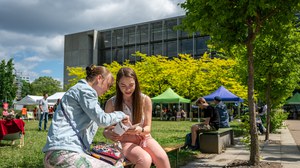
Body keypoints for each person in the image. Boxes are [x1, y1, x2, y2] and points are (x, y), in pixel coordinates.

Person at [42, 64, 129, 168]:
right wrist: (122, 114)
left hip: (58, 153)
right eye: (108, 85)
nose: (108, 89)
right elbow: (102, 119)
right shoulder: (86, 91)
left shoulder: (79, 90)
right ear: (99, 78)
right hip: (65, 153)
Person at [103, 67, 170, 168]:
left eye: (131, 85)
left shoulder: (145, 100)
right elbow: (106, 130)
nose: (128, 89)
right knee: (144, 160)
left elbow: (148, 128)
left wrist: (140, 129)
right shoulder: (111, 103)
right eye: (123, 85)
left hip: (144, 138)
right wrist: (109, 134)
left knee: (162, 158)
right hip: (124, 141)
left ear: (136, 83)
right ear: (118, 84)